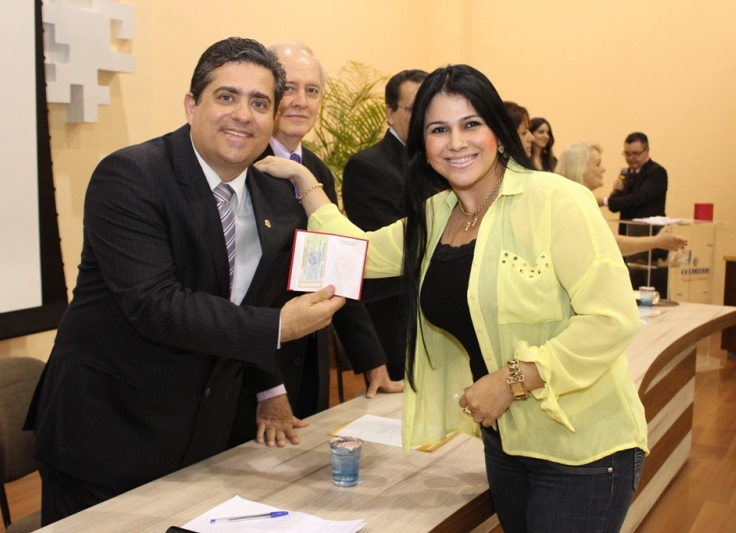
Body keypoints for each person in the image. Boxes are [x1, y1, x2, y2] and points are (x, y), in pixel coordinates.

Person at [257, 64, 648, 533]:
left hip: (584, 449)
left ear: (498, 131)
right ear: (422, 143)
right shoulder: (436, 215)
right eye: (438, 129)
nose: (456, 143)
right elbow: (354, 253)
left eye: (471, 124)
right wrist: (303, 179)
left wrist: (512, 380)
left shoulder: (556, 199)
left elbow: (611, 318)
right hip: (505, 444)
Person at [23, 37, 346, 526]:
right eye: (227, 96)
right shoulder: (131, 175)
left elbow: (259, 295)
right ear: (192, 105)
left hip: (204, 436)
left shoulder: (277, 193)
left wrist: (268, 387)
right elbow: (155, 304)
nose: (243, 115)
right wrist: (278, 327)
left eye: (260, 103)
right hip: (108, 433)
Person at [232, 41, 402, 431]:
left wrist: (372, 361)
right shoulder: (242, 166)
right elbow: (238, 290)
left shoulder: (315, 171)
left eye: (312, 90)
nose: (300, 101)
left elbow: (337, 269)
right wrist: (268, 388)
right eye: (289, 88)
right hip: (255, 368)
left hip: (309, 357)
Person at [341, 69, 428, 381]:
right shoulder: (368, 167)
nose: (423, 117)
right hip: (398, 320)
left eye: (430, 107)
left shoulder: (441, 162)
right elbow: (394, 249)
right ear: (390, 113)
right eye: (413, 107)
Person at [556, 142, 687, 256]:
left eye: (635, 153)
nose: (603, 169)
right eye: (598, 164)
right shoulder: (574, 204)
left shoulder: (575, 200)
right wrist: (656, 241)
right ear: (580, 169)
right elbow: (607, 243)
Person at [597, 132, 669, 295]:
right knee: (629, 286)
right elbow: (616, 206)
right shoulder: (626, 173)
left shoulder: (657, 172)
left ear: (647, 151)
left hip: (648, 237)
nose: (631, 158)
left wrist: (605, 201)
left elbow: (639, 198)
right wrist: (615, 192)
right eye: (627, 154)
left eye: (635, 153)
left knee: (651, 286)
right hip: (628, 235)